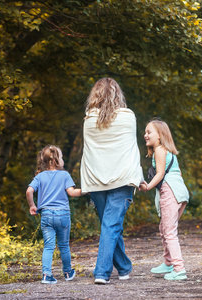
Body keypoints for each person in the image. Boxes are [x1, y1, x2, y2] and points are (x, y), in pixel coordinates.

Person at [80, 77, 144, 284]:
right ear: (118, 95)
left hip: (95, 181)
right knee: (111, 225)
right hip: (123, 179)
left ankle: (124, 267)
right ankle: (102, 273)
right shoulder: (128, 117)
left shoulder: (88, 119)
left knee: (110, 225)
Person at [140, 119, 190, 280]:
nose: (145, 135)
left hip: (170, 191)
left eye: (149, 132)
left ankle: (179, 268)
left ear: (160, 136)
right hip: (179, 191)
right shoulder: (168, 152)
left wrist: (147, 186)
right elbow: (178, 174)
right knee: (164, 228)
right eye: (145, 132)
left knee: (169, 231)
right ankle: (168, 262)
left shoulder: (160, 151)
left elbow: (160, 174)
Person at [26, 145, 83, 284]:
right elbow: (72, 193)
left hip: (46, 215)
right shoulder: (64, 175)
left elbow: (29, 191)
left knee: (48, 246)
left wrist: (32, 205)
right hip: (62, 214)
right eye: (62, 157)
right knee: (63, 245)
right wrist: (88, 190)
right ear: (57, 160)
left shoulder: (40, 176)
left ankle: (46, 275)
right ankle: (68, 272)